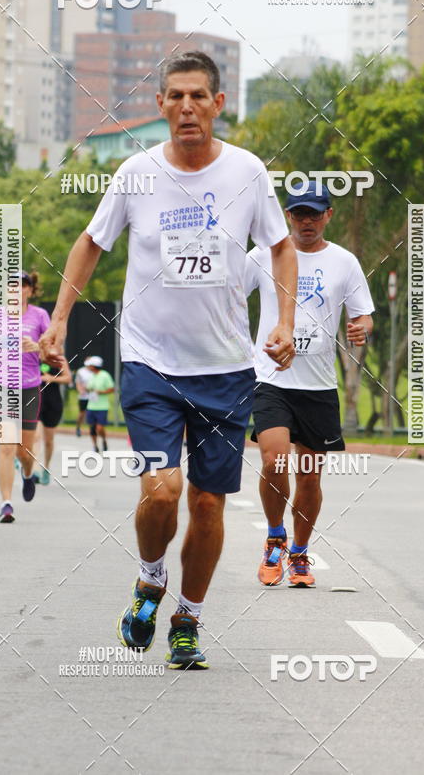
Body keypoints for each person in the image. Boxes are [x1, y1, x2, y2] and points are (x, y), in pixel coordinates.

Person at [40, 50, 297, 669]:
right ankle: (151, 576)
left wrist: (285, 322)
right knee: (162, 491)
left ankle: (189, 619)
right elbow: (90, 243)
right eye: (174, 96)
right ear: (160, 106)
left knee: (207, 503)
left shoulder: (248, 172)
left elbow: (283, 249)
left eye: (197, 96)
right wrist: (60, 318)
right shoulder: (135, 173)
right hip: (150, 364)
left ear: (218, 104)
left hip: (226, 368)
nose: (186, 107)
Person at [245, 181, 374, 587]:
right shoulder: (264, 255)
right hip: (271, 377)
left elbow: (364, 314)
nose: (306, 221)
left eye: (314, 213)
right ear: (288, 216)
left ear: (328, 216)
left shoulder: (344, 262)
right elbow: (228, 294)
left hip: (318, 385)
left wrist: (360, 329)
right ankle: (274, 536)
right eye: (299, 213)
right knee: (273, 460)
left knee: (310, 475)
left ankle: (300, 553)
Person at [0, 270, 50, 523]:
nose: (17, 290)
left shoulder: (40, 316)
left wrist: (38, 346)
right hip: (1, 386)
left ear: (29, 290)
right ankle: (6, 503)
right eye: (12, 286)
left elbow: (52, 349)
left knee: (24, 452)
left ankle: (28, 474)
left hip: (28, 387)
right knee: (6, 447)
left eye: (22, 286)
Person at [33, 357, 72, 484]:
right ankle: (35, 470)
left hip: (53, 402)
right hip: (36, 401)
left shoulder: (59, 359)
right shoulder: (33, 356)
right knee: (36, 437)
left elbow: (68, 378)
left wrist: (51, 378)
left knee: (48, 441)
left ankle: (46, 468)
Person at [84, 356, 114, 453]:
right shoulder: (91, 375)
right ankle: (95, 446)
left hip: (102, 407)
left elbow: (111, 389)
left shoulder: (105, 375)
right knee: (92, 428)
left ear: (95, 366)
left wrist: (100, 392)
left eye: (91, 365)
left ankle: (104, 440)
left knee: (99, 428)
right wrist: (89, 389)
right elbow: (88, 388)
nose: (89, 367)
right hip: (91, 406)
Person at [75, 359, 93, 437]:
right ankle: (78, 427)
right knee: (82, 413)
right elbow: (78, 383)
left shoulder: (95, 371)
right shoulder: (81, 371)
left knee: (92, 413)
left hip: (93, 396)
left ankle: (92, 430)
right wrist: (81, 391)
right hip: (83, 396)